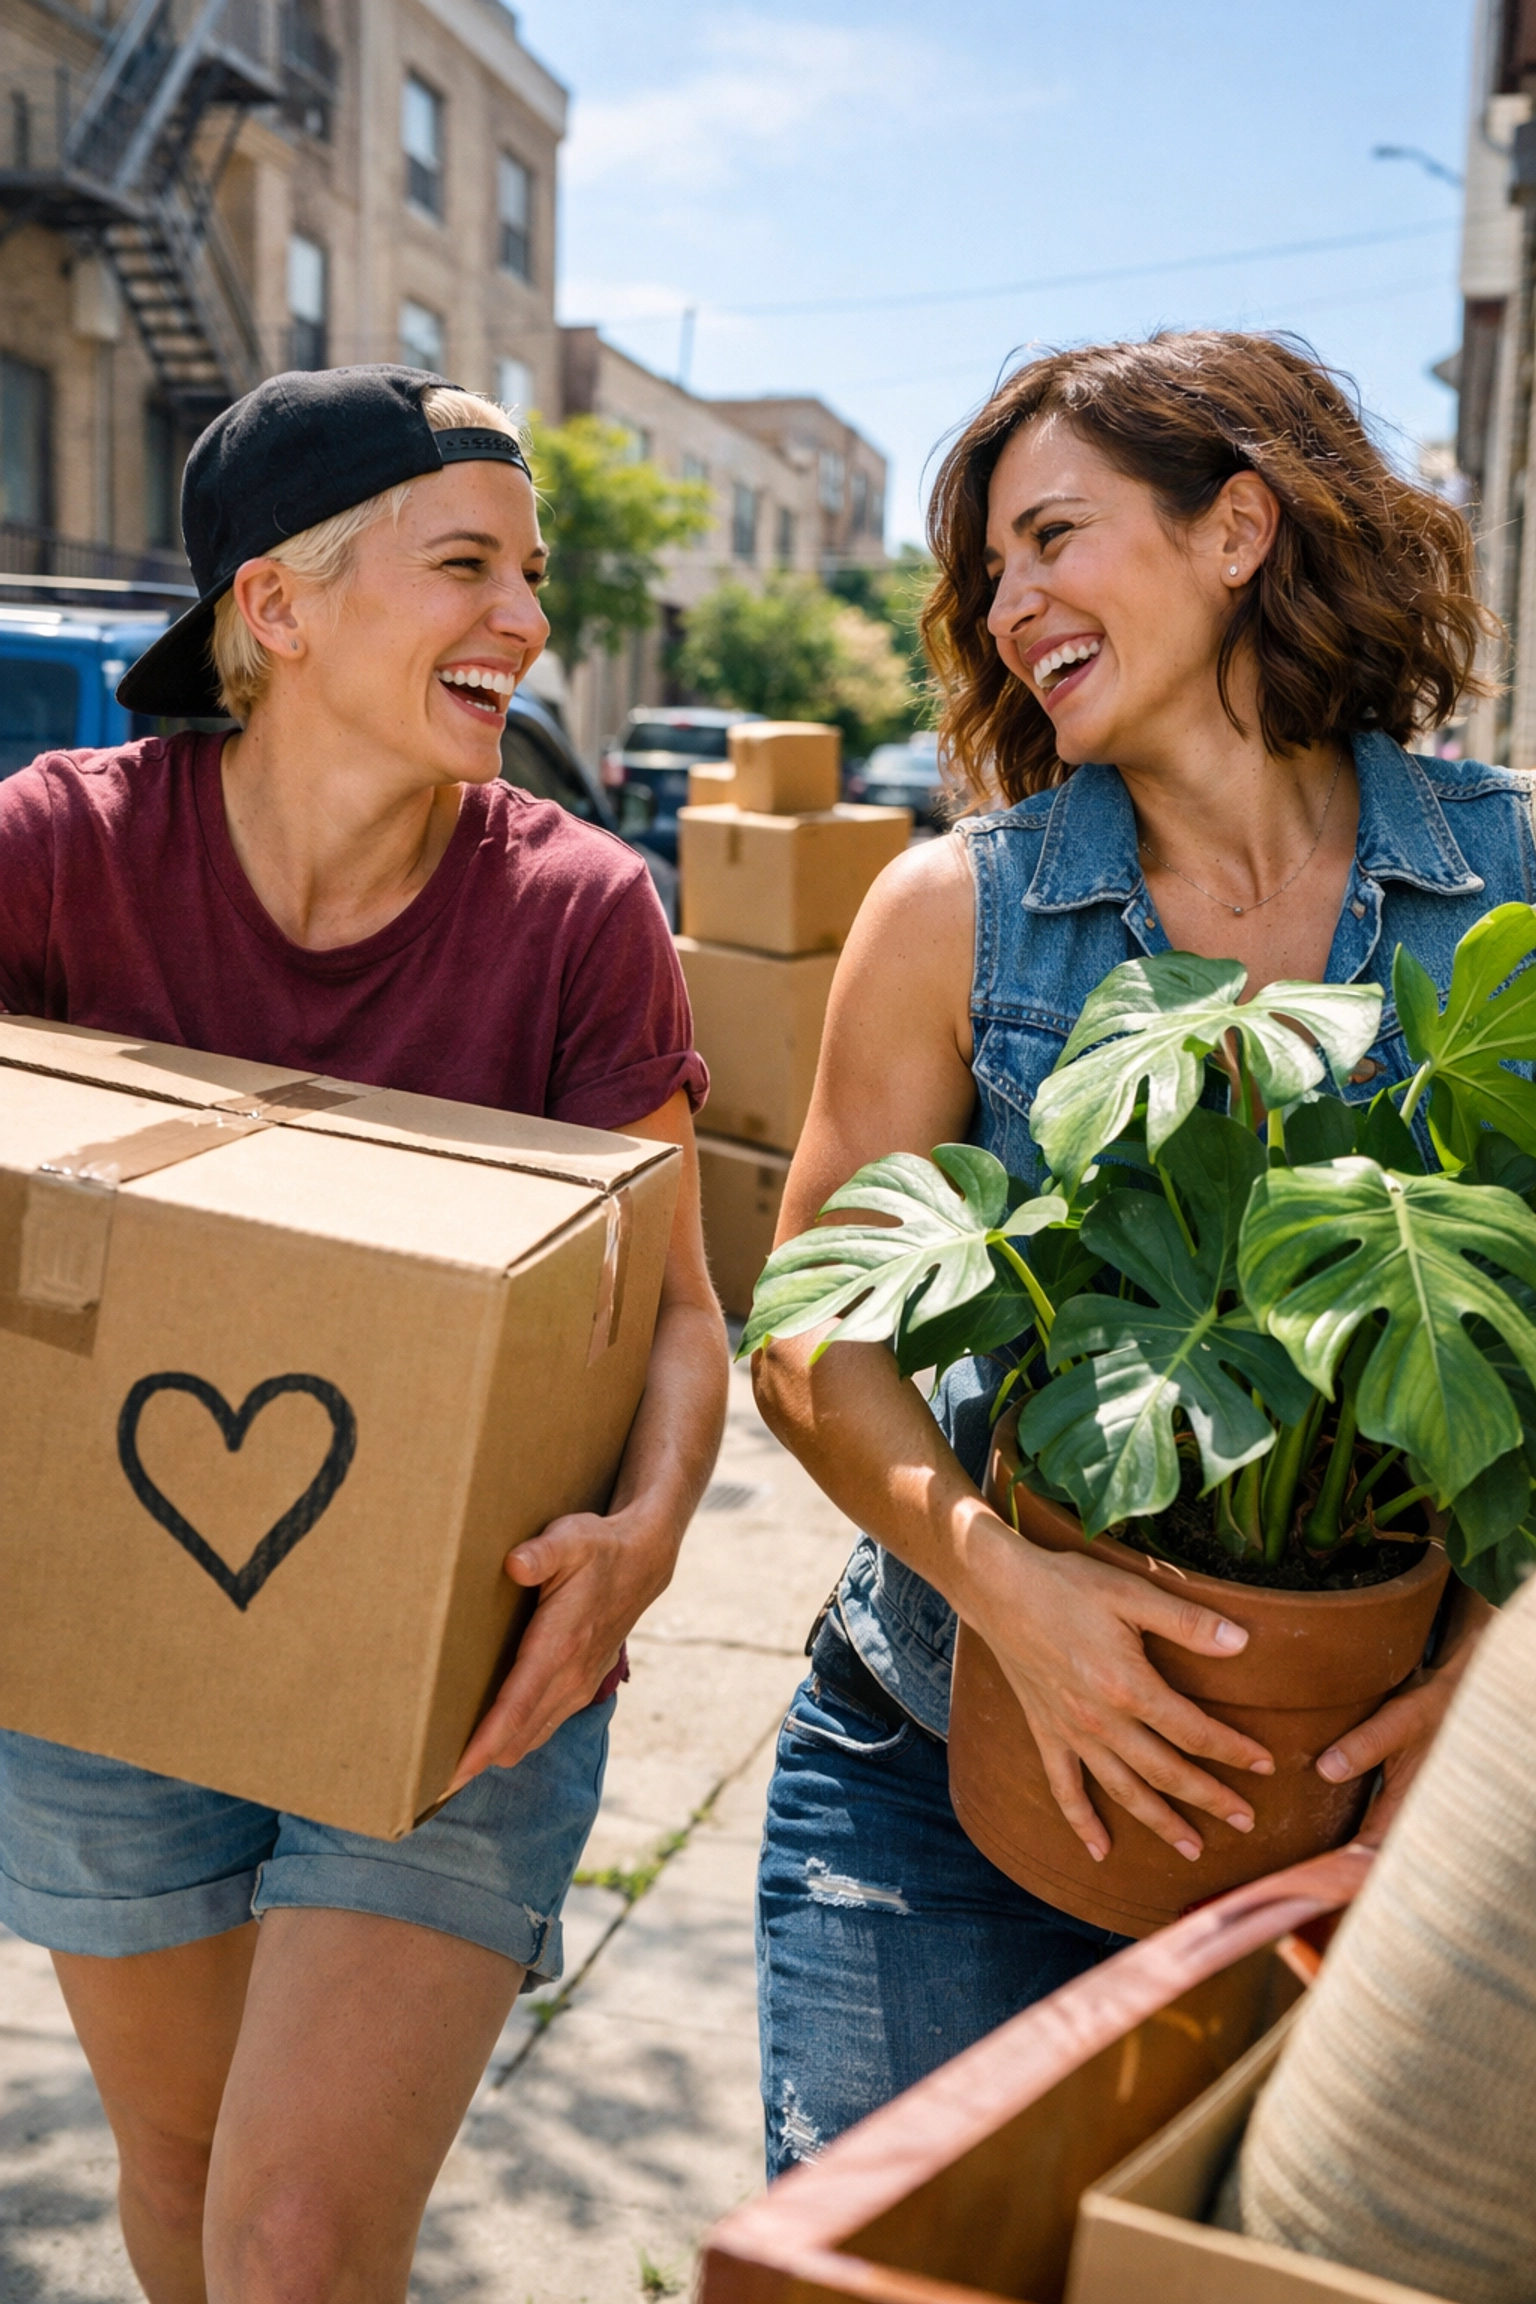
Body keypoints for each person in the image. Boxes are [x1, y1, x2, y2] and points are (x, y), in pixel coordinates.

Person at [752, 330, 1531, 2175]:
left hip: (1384, 1803)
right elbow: (808, 1328)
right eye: (991, 573)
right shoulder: (959, 910)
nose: (1011, 606)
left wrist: (1492, 1672)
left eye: (1053, 538)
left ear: (1239, 526)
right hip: (942, 1771)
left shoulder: (1511, 895)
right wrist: (1012, 1592)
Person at [0, 365, 729, 2302]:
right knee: (176, 2170)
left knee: (300, 2234)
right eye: (468, 564)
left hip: (465, 1651)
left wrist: (641, 1545)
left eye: (534, 573)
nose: (529, 619)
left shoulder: (578, 912)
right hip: (103, 1641)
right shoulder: (53, 855)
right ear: (279, 606)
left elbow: (677, 1320)